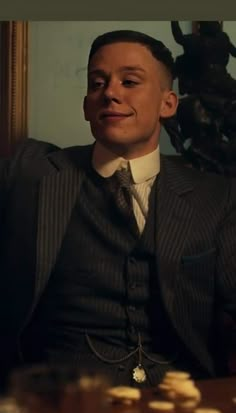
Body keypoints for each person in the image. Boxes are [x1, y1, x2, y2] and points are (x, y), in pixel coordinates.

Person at [0, 29, 236, 391]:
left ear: (168, 104)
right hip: (63, 396)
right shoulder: (30, 173)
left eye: (129, 81)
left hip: (179, 396)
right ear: (86, 106)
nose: (109, 93)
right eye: (97, 83)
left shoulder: (215, 196)